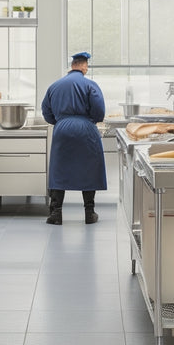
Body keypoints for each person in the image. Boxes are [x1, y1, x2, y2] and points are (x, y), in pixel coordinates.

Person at [41, 51, 107, 225]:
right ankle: (89, 213)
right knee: (89, 167)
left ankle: (56, 214)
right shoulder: (90, 85)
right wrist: (90, 119)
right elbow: (99, 111)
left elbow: (46, 112)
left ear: (72, 66)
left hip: (62, 129)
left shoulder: (54, 86)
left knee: (58, 168)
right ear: (84, 66)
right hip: (86, 128)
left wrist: (61, 121)